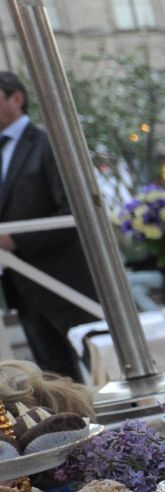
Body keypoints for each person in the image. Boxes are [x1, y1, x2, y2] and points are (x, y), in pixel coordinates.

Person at [0, 72, 98, 381]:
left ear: (17, 98)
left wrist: (15, 240)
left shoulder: (48, 143)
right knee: (55, 382)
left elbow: (73, 212)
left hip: (64, 281)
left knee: (99, 368)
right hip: (21, 286)